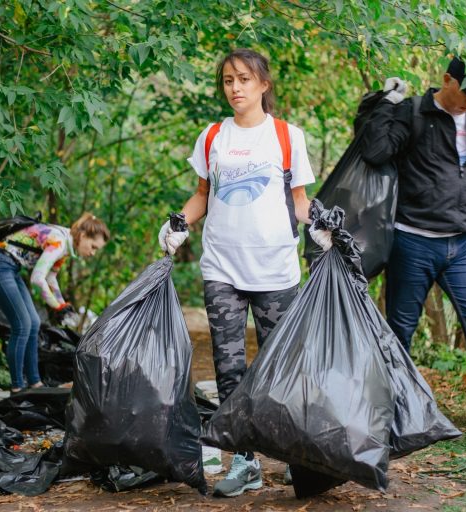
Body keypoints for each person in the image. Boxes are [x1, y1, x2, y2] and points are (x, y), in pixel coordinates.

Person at [157, 48, 316, 497]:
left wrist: (321, 226)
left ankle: (288, 451)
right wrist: (177, 223)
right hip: (222, 266)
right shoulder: (212, 137)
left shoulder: (287, 136)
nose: (235, 88)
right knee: (229, 369)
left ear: (264, 84)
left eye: (244, 79)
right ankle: (243, 460)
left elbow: (300, 201)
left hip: (276, 269)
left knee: (277, 367)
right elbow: (202, 195)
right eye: (228, 80)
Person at [353, 56, 466, 414]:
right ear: (446, 79)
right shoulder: (413, 113)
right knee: (400, 329)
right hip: (412, 241)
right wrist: (385, 104)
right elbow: (375, 153)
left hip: (464, 244)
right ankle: (384, 413)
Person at [0, 213, 109, 393]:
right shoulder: (59, 242)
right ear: (83, 236)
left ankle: (35, 384)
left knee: (34, 323)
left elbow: (50, 277)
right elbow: (37, 278)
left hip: (11, 267)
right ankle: (17, 387)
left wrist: (62, 304)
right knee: (22, 326)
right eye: (93, 246)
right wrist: (56, 306)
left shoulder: (65, 245)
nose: (92, 253)